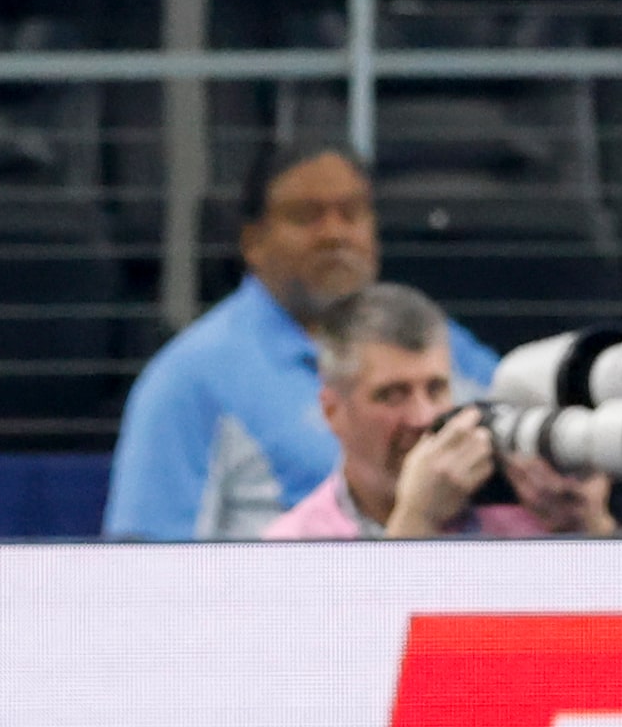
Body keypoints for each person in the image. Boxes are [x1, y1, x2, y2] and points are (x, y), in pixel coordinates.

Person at [102, 140, 499, 539]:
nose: (335, 234)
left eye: (351, 212)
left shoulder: (435, 342)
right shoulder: (190, 377)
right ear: (253, 242)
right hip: (276, 596)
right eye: (307, 216)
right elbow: (145, 566)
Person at [261, 282, 615, 539]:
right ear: (333, 410)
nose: (424, 417)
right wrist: (418, 518)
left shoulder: (523, 507)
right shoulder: (295, 547)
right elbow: (372, 639)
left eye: (435, 388)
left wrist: (592, 524)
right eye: (392, 395)